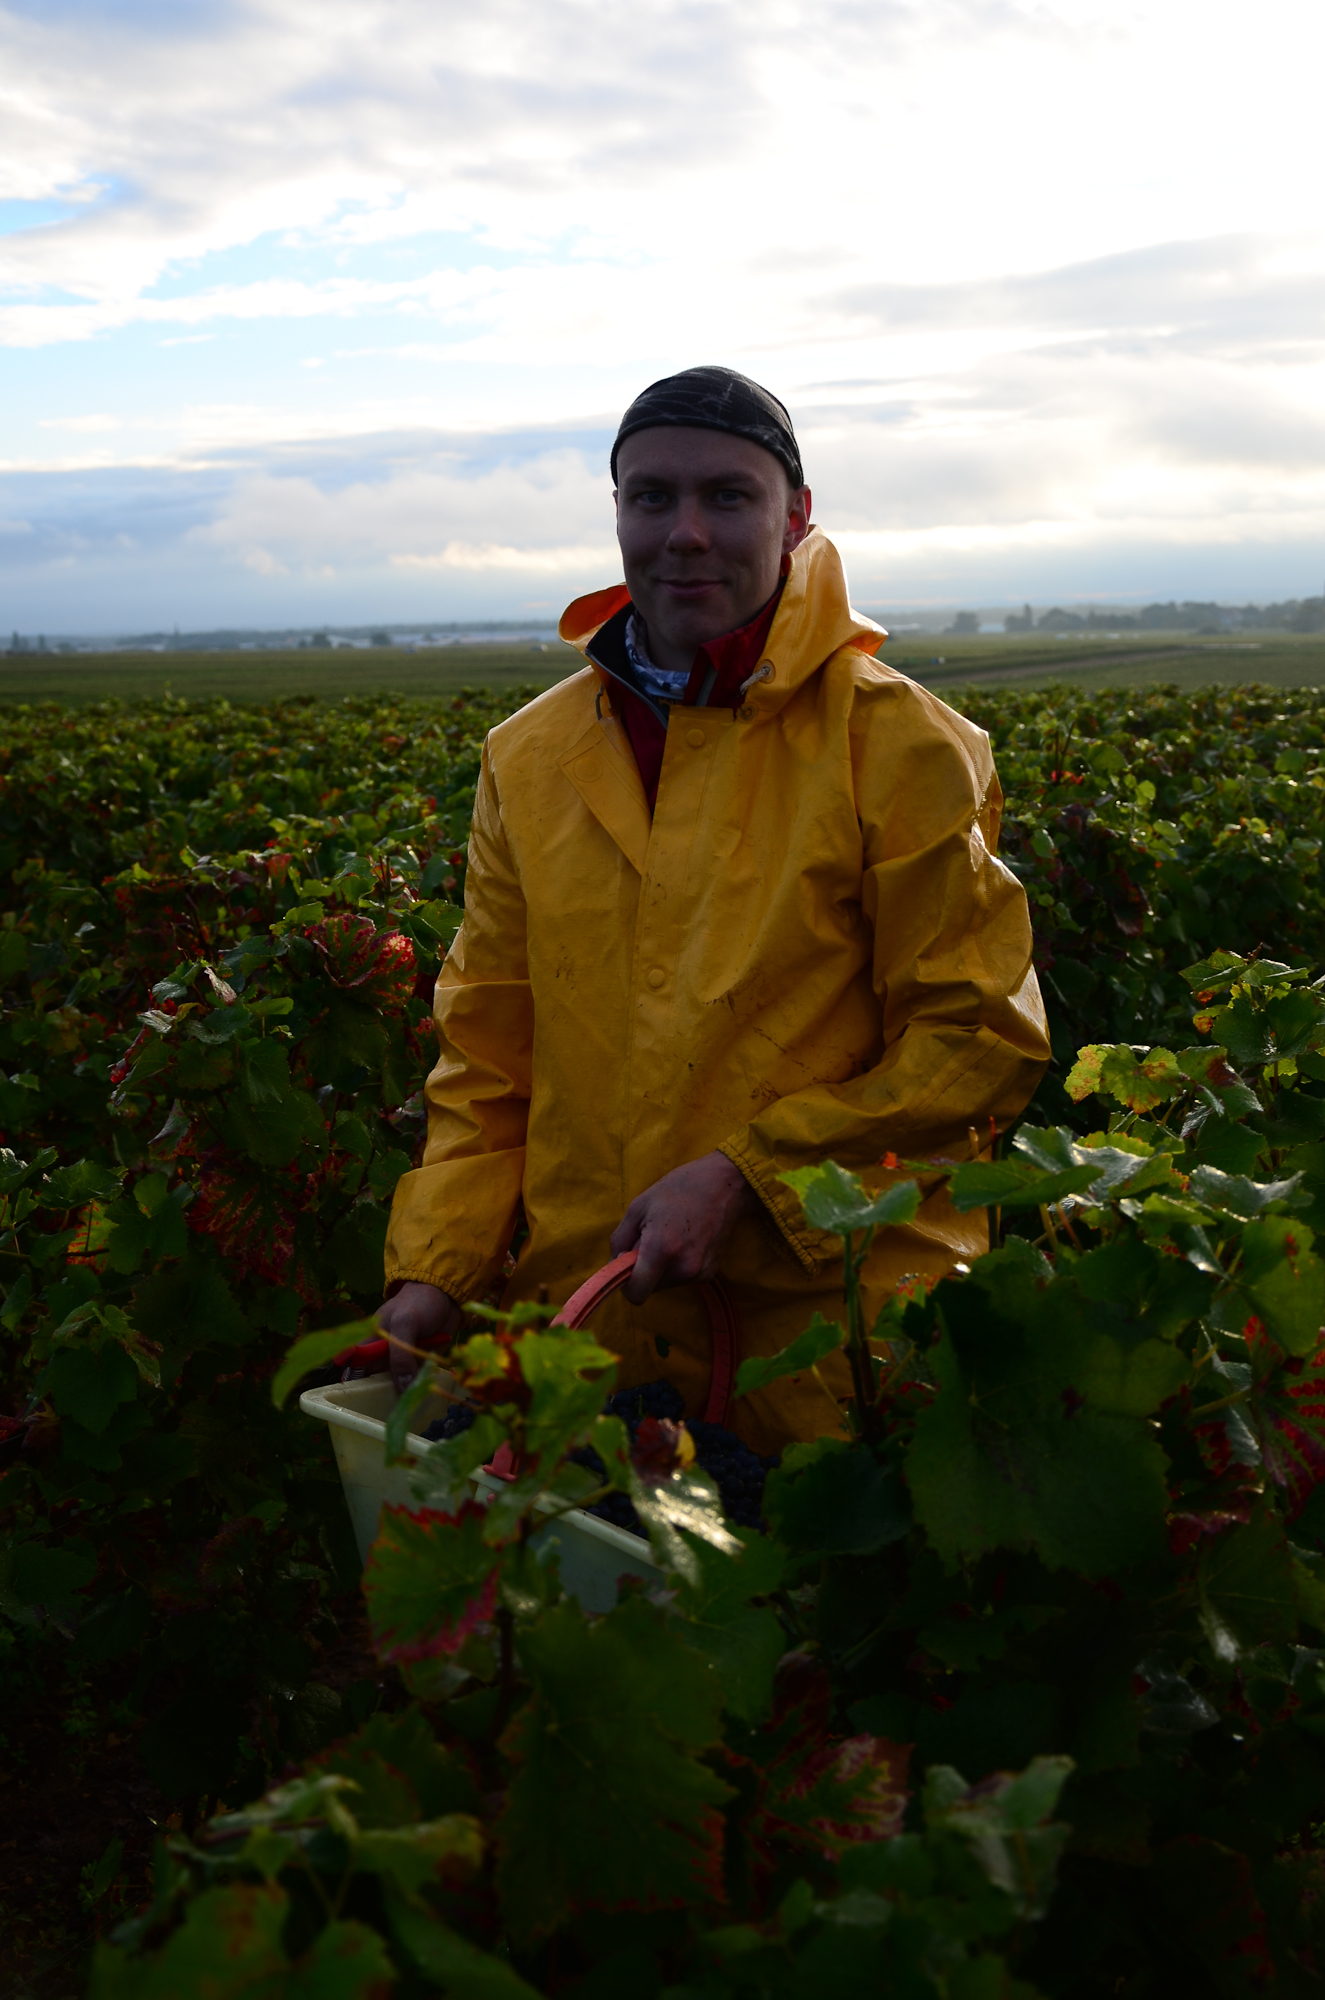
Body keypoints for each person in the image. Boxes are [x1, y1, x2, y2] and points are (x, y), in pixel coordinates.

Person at [380, 365, 1050, 1454]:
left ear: (795, 515)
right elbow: (489, 1053)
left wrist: (751, 1172)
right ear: (615, 515)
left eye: (726, 496)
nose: (684, 531)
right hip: (585, 1337)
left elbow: (975, 1038)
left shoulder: (900, 744)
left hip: (823, 1358)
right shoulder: (528, 756)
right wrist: (438, 1267)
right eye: (651, 496)